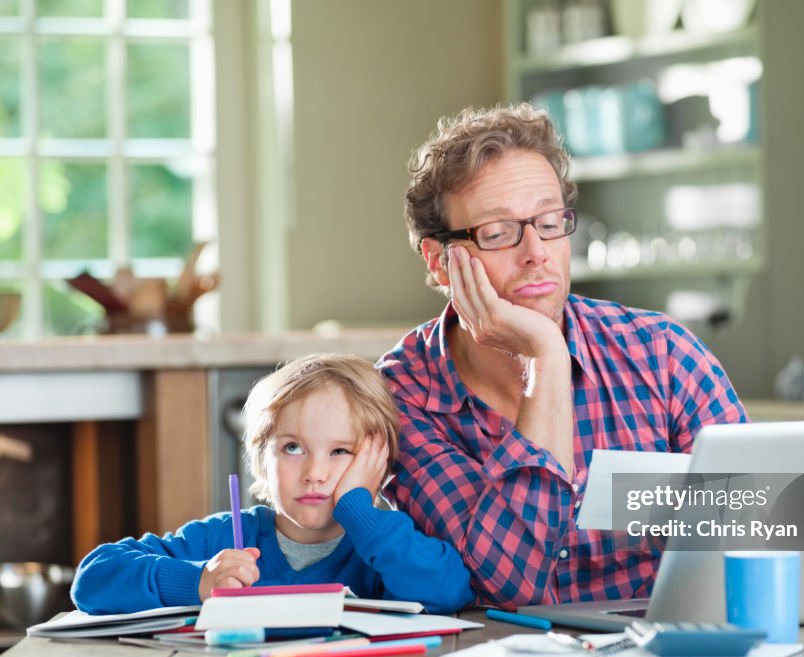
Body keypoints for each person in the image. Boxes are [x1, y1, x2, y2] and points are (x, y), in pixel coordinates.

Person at [377, 103, 747, 610]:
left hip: (666, 655)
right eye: (499, 232)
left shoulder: (664, 354)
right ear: (441, 263)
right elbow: (513, 584)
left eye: (550, 222)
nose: (537, 252)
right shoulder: (401, 397)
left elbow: (757, 533)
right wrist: (547, 358)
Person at [72, 354, 474, 616]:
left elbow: (447, 591)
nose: (315, 472)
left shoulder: (383, 546)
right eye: (293, 447)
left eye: (340, 452)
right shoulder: (224, 538)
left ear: (378, 465)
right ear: (260, 460)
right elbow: (93, 579)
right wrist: (197, 581)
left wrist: (359, 510)